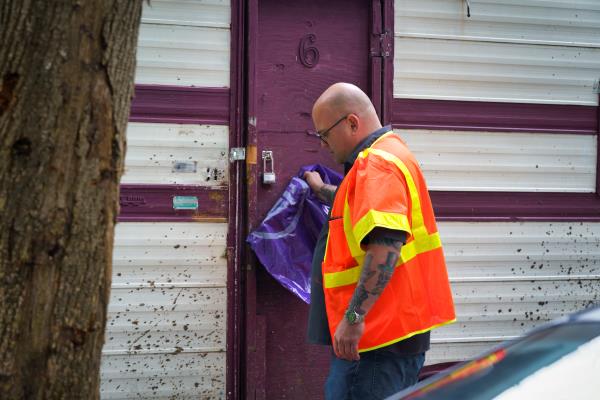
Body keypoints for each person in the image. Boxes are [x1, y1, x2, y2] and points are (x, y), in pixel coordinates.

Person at [303, 82, 456, 400]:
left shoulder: (376, 165)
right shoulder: (393, 152)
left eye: (324, 134)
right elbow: (363, 209)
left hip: (375, 341)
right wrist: (323, 191)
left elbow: (386, 245)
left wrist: (353, 318)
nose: (323, 145)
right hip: (394, 331)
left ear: (351, 123)